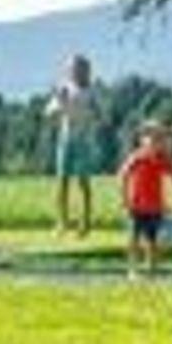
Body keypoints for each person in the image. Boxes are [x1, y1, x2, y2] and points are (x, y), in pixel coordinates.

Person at [118, 120, 172, 276]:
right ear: (142, 140)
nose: (156, 143)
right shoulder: (137, 158)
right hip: (136, 205)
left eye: (159, 139)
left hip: (154, 206)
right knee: (133, 238)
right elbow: (123, 175)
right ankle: (133, 269)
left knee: (152, 240)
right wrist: (124, 198)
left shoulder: (162, 159)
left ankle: (151, 269)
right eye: (153, 139)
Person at [45, 54, 96, 235]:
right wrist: (59, 101)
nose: (75, 71)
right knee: (62, 181)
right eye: (72, 68)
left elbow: (95, 114)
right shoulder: (64, 89)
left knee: (83, 182)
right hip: (65, 140)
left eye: (79, 68)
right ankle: (62, 222)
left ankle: (85, 222)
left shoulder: (91, 92)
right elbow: (49, 113)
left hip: (83, 140)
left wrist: (75, 107)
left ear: (86, 70)